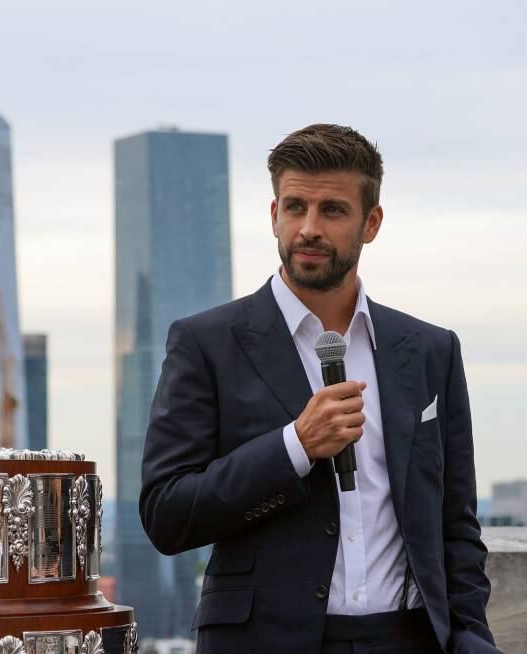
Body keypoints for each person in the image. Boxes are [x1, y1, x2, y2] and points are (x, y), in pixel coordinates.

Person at [139, 124, 498, 653]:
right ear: (273, 215)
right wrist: (295, 446)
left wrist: (469, 635)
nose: (308, 228)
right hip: (267, 642)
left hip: (408, 639)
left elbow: (457, 522)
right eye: (295, 207)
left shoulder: (429, 350)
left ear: (370, 223)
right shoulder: (206, 343)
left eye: (332, 210)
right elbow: (167, 514)